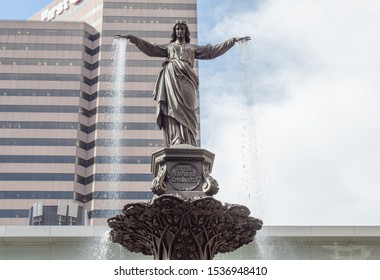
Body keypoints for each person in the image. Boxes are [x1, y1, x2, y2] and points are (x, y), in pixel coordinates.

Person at [115, 20, 250, 147]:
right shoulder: (169, 47)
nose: (180, 31)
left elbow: (212, 51)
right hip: (171, 76)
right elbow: (151, 48)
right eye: (177, 29)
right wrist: (133, 39)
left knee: (189, 108)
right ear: (174, 31)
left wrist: (232, 41)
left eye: (182, 28)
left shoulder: (192, 48)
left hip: (188, 78)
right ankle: (176, 138)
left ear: (186, 31)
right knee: (173, 107)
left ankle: (189, 140)